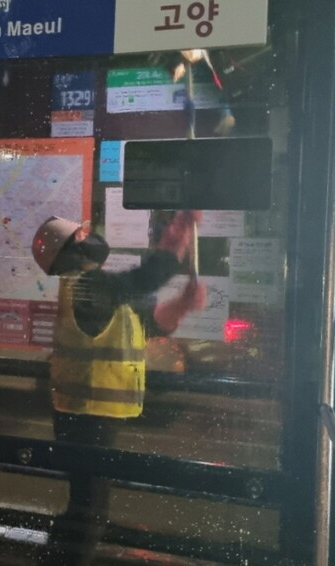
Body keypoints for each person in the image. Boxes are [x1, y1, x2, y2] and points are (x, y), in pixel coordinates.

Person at [30, 211, 207, 565]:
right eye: (81, 235)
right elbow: (146, 278)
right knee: (89, 512)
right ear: (71, 251)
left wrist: (182, 306)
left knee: (86, 507)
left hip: (88, 413)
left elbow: (147, 321)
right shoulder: (87, 286)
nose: (90, 235)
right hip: (86, 415)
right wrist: (178, 237)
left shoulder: (93, 288)